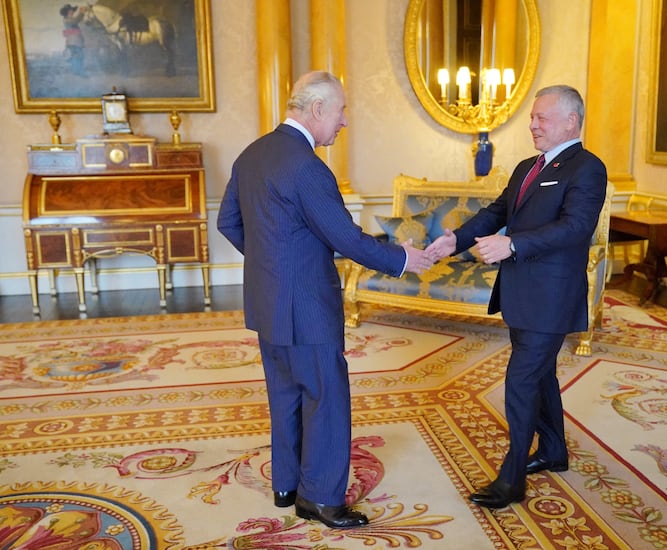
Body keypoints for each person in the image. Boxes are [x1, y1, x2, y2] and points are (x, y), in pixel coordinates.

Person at [217, 71, 433, 528]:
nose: (344, 122)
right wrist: (402, 258)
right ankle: (322, 500)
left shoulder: (252, 154)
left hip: (267, 302)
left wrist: (272, 265)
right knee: (326, 397)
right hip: (308, 307)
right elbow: (346, 239)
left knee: (286, 394)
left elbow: (229, 222)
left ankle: (286, 486)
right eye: (341, 111)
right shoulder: (307, 166)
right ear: (317, 109)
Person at [426, 85, 607, 508]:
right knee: (540, 374)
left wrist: (513, 245)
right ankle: (553, 451)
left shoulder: (587, 168)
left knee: (521, 379)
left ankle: (511, 480)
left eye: (542, 118)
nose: (533, 125)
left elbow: (576, 227)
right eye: (532, 117)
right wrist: (455, 238)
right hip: (522, 293)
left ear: (571, 121)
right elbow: (498, 211)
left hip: (552, 296)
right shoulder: (528, 165)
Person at [59, 4, 86, 76]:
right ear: (67, 12)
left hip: (77, 43)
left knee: (79, 58)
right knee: (76, 58)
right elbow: (76, 20)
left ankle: (79, 73)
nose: (72, 12)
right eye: (70, 10)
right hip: (73, 43)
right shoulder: (67, 20)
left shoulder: (71, 19)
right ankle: (77, 74)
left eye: (72, 10)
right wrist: (81, 12)